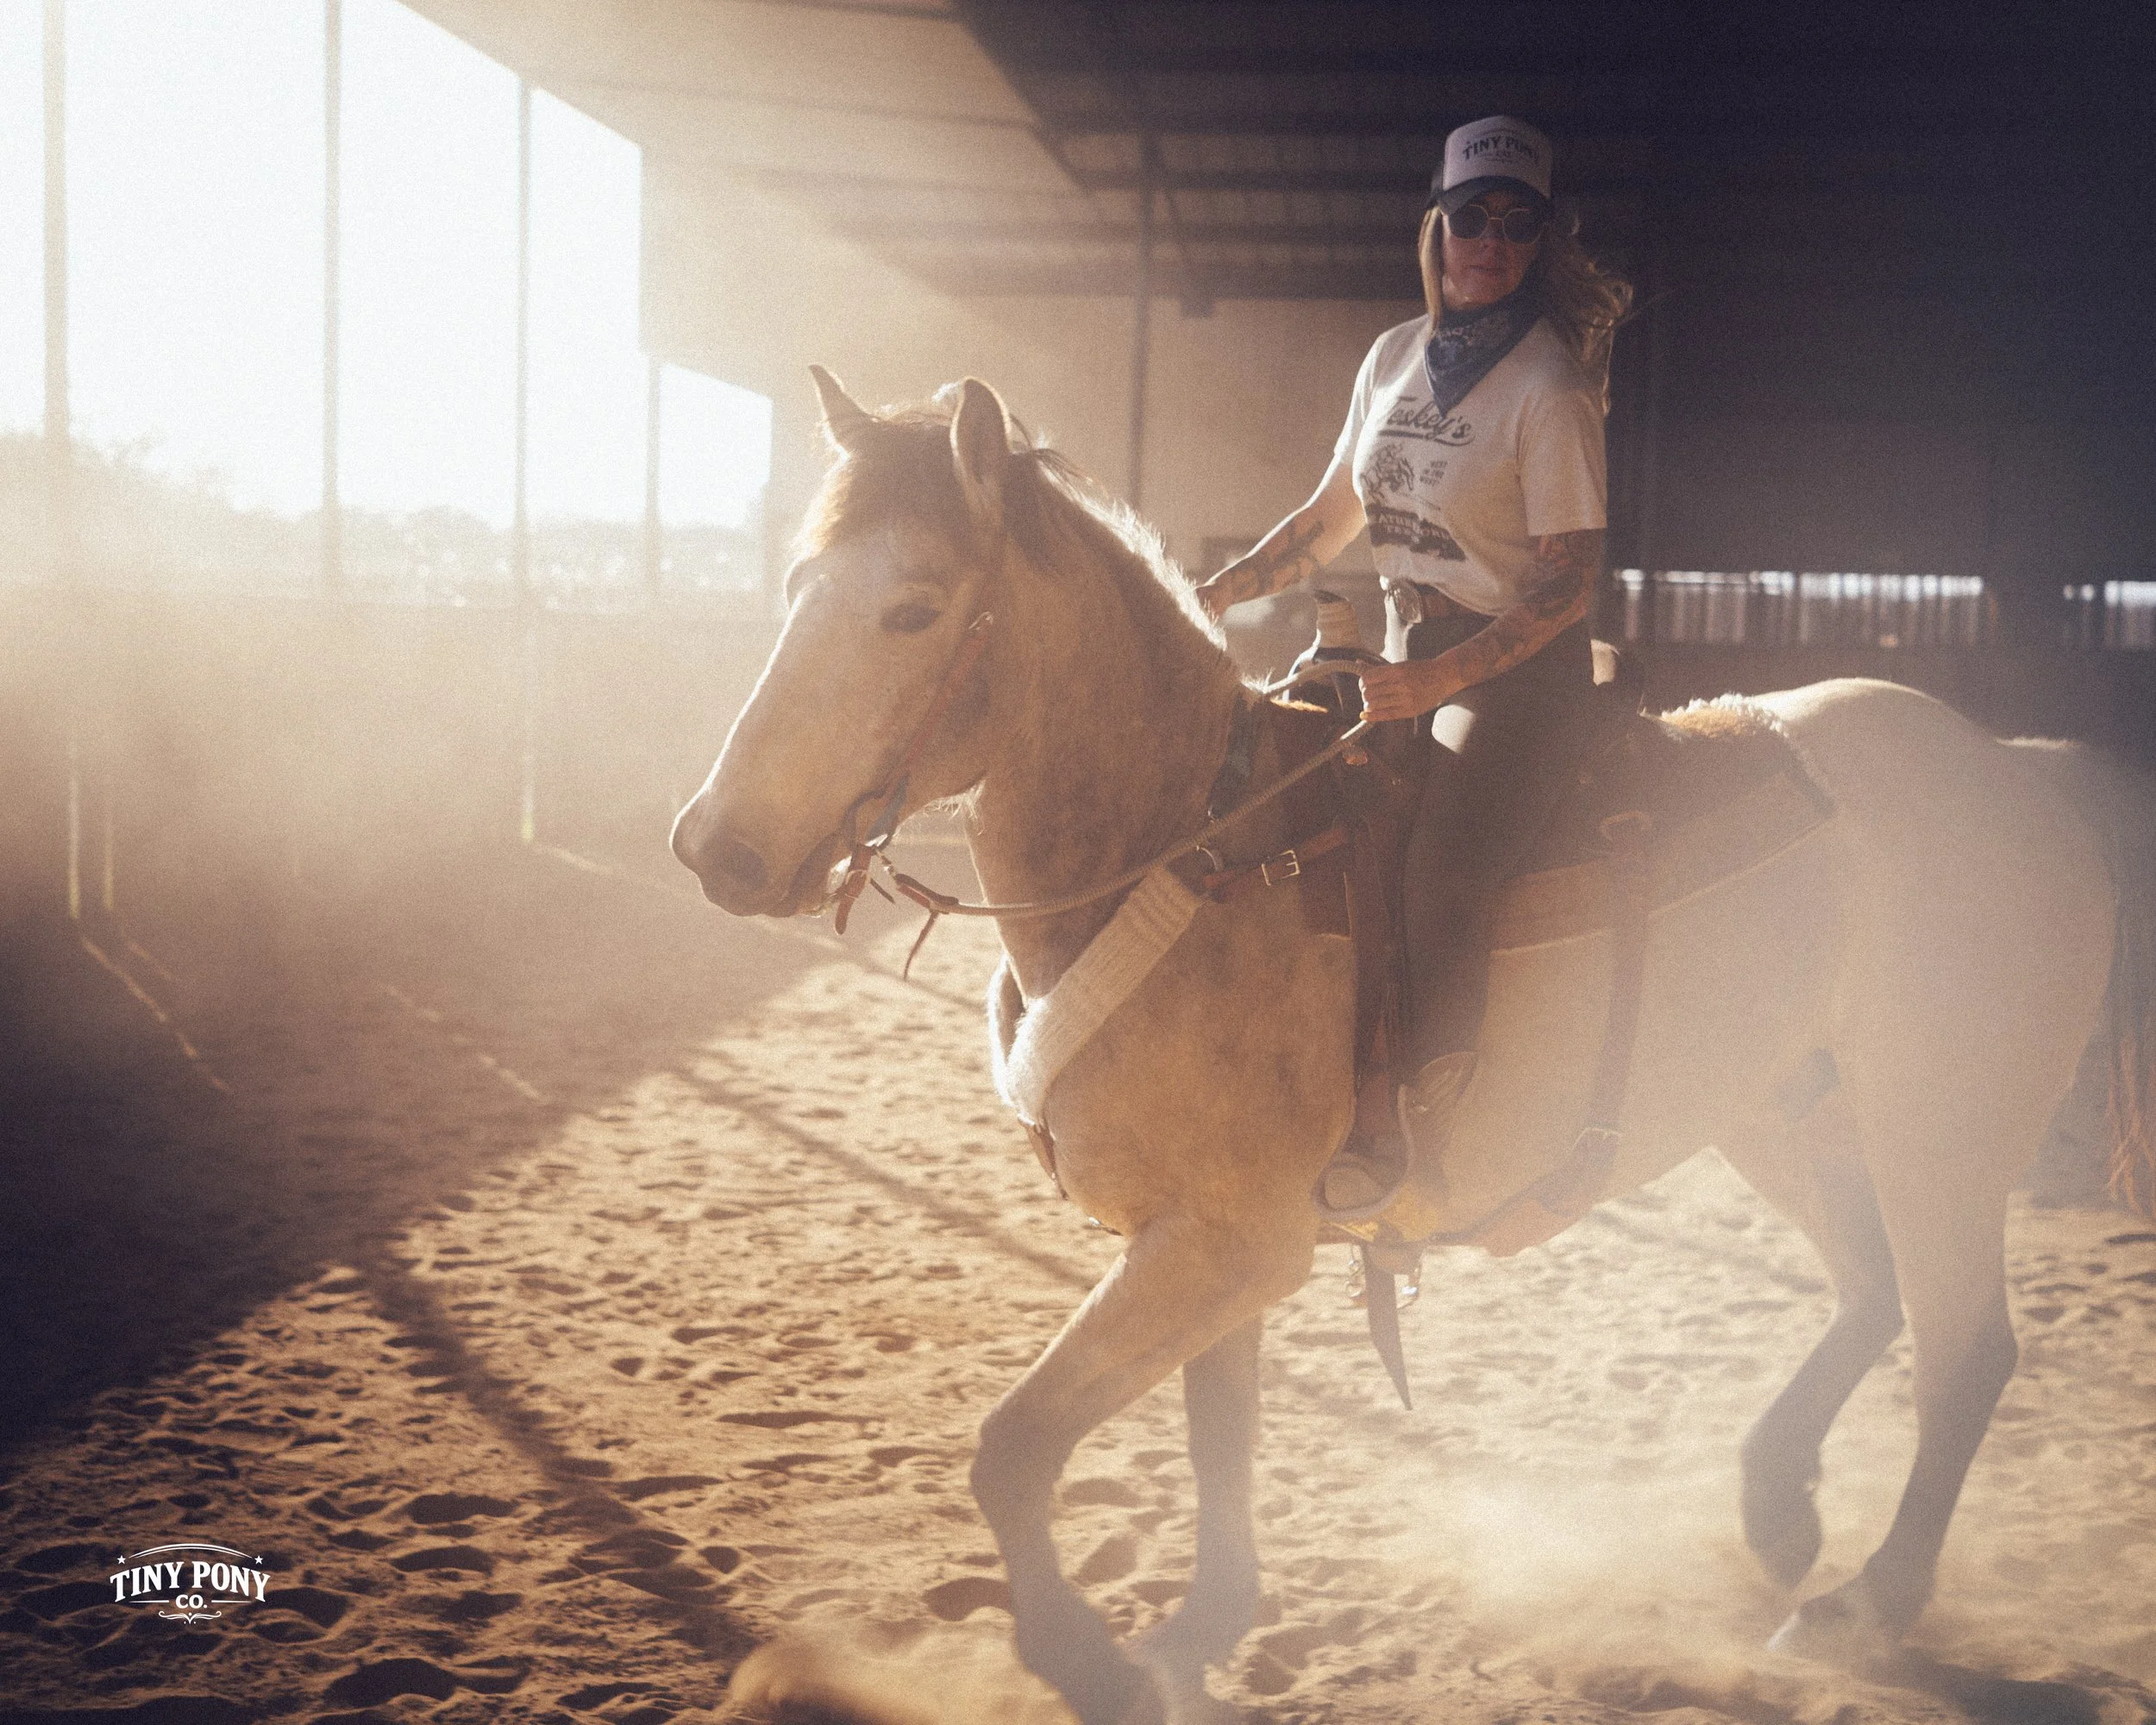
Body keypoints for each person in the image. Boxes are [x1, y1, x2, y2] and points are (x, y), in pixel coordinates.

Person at [1195, 116, 1633, 1223]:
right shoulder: (1392, 356)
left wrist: (1438, 684)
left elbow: (1564, 584)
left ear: (1538, 241)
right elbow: (1331, 511)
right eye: (1471, 216)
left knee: (1438, 868)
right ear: (1434, 226)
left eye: (1516, 222)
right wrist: (1215, 590)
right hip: (1402, 653)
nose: (1491, 240)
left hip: (1515, 681)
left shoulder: (1550, 388)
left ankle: (1418, 1105)